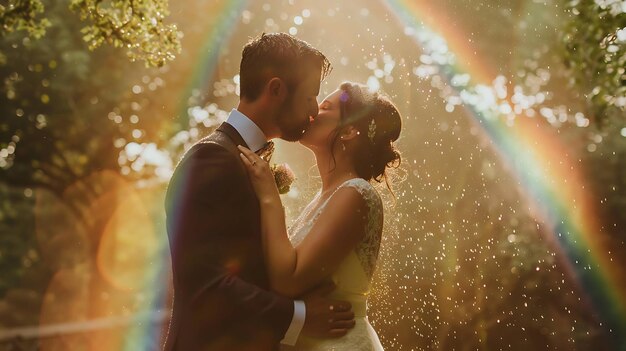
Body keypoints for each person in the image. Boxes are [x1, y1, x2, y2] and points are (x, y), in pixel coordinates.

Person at [163, 33, 356, 351]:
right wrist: (300, 316)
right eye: (309, 96)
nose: (313, 111)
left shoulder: (244, 159)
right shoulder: (210, 158)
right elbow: (205, 284)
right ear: (276, 89)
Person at [238, 81, 402, 350]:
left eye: (325, 107)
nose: (312, 110)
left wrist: (268, 194)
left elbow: (288, 281)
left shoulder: (356, 194)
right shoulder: (326, 197)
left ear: (349, 131)